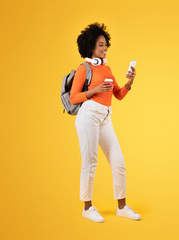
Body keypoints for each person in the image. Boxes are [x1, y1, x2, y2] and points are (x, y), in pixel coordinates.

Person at [70, 22, 141, 222]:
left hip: (105, 116)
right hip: (89, 116)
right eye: (100, 45)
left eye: (105, 44)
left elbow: (118, 95)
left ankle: (122, 206)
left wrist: (129, 82)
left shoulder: (107, 69)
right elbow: (74, 97)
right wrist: (94, 90)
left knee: (118, 162)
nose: (104, 48)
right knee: (90, 162)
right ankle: (87, 208)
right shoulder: (84, 68)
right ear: (91, 46)